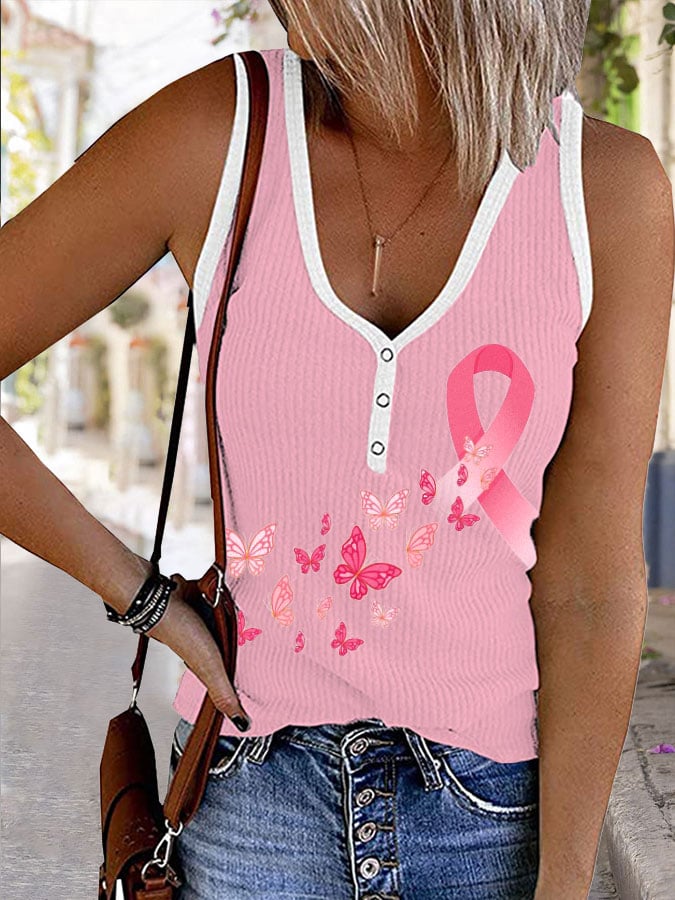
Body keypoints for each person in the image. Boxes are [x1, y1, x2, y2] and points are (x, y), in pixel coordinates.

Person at [1, 1, 673, 898]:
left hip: (492, 820)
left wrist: (565, 881)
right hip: (249, 807)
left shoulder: (604, 188)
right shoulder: (218, 132)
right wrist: (142, 596)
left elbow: (590, 581)